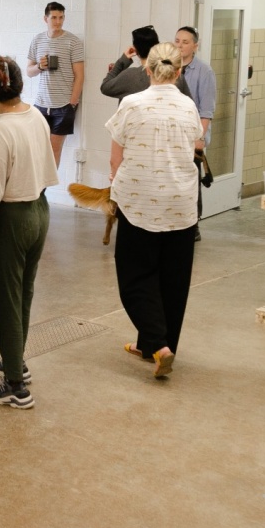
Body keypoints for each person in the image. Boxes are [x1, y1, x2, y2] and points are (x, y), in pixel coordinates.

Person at [106, 43, 202, 380]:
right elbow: (195, 145)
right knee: (173, 279)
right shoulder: (188, 106)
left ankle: (157, 344)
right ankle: (157, 347)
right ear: (178, 72)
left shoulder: (132, 104)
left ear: (147, 70)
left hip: (139, 203)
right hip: (181, 204)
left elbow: (116, 156)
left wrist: (114, 182)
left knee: (135, 276)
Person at [0, 57, 59, 409]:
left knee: (4, 301)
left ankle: (14, 386)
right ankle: (16, 363)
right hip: (40, 211)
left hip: (10, 218)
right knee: (23, 293)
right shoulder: (36, 115)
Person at [25, 2, 84, 168]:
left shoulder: (73, 42)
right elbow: (29, 72)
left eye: (61, 17)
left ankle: (44, 190)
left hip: (64, 105)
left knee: (54, 150)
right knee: (37, 149)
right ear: (46, 19)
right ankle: (36, 188)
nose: (58, 22)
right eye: (54, 18)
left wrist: (72, 102)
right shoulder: (37, 40)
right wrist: (39, 66)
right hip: (41, 104)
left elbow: (80, 75)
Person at [175, 26, 217, 240]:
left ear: (195, 46)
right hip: (174, 135)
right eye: (178, 41)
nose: (180, 45)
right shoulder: (170, 67)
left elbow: (207, 109)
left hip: (193, 136)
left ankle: (194, 225)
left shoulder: (204, 71)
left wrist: (200, 138)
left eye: (185, 42)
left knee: (192, 180)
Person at [102, 25, 194, 103]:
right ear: (158, 46)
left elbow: (105, 87)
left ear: (136, 50)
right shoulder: (175, 75)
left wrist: (122, 61)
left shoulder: (130, 76)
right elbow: (190, 105)